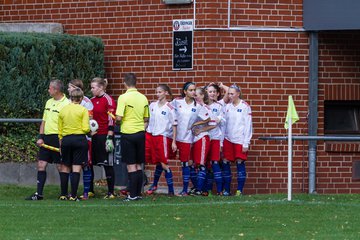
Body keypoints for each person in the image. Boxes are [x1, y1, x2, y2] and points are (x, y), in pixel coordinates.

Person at [26, 79, 70, 200]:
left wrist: (63, 141)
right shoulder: (49, 102)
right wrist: (41, 137)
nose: (48, 90)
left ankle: (64, 194)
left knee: (60, 166)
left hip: (58, 138)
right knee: (41, 164)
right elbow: (44, 121)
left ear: (56, 90)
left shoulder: (67, 103)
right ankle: (39, 194)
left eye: (50, 88)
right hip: (46, 138)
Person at [116, 73, 149, 201]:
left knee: (131, 165)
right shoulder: (143, 98)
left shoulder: (123, 97)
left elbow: (118, 118)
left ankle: (132, 194)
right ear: (136, 83)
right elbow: (146, 118)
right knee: (139, 165)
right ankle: (138, 193)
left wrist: (119, 121)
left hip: (128, 133)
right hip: (140, 133)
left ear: (125, 83)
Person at [58, 88, 90, 201]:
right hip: (79, 139)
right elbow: (86, 128)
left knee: (65, 166)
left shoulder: (63, 110)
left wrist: (61, 142)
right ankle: (73, 195)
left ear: (71, 98)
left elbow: (60, 130)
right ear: (81, 98)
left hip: (66, 139)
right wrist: (91, 131)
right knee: (76, 167)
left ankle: (63, 194)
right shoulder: (83, 110)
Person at [145, 84, 177, 196]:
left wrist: (173, 141)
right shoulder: (152, 105)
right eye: (157, 92)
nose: (158, 94)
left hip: (162, 136)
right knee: (157, 161)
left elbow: (174, 125)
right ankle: (154, 185)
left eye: (160, 92)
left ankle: (171, 190)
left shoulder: (170, 108)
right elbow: (147, 119)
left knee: (163, 163)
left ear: (166, 93)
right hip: (151, 135)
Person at [171, 82, 202, 196]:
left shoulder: (198, 106)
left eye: (194, 90)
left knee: (185, 164)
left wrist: (197, 127)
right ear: (185, 92)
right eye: (190, 90)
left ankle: (185, 190)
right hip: (174, 136)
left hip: (187, 138)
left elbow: (208, 119)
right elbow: (168, 110)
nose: (193, 92)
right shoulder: (176, 102)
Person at [222, 84, 253, 196]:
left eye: (232, 93)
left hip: (240, 139)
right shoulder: (227, 107)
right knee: (225, 162)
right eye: (229, 93)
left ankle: (239, 190)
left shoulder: (245, 106)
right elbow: (223, 124)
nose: (230, 96)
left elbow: (248, 125)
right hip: (228, 139)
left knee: (240, 162)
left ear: (238, 94)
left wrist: (246, 142)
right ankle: (227, 189)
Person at [90, 77, 117, 199]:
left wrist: (109, 138)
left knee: (108, 164)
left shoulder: (109, 100)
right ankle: (90, 190)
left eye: (93, 87)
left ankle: (111, 192)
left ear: (101, 87)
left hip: (105, 136)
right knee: (89, 163)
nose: (91, 90)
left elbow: (112, 119)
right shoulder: (90, 101)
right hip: (93, 136)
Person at [67, 79, 94, 200]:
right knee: (71, 165)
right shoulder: (67, 102)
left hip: (84, 137)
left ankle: (86, 192)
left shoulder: (87, 102)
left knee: (85, 164)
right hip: (72, 136)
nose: (68, 89)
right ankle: (73, 192)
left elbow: (90, 119)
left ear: (76, 88)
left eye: (70, 87)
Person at [189, 87, 215, 196]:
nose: (195, 97)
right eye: (194, 95)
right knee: (192, 164)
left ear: (202, 96)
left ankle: (200, 189)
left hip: (202, 138)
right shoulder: (194, 107)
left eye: (197, 95)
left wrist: (199, 128)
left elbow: (212, 123)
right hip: (193, 139)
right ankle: (198, 187)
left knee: (201, 164)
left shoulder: (205, 108)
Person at [206, 83, 228, 195]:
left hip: (215, 138)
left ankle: (219, 190)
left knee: (215, 163)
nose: (212, 93)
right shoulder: (202, 105)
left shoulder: (220, 106)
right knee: (206, 165)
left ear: (218, 93)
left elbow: (223, 123)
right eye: (210, 91)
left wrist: (221, 143)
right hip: (204, 138)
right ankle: (208, 190)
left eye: (214, 91)